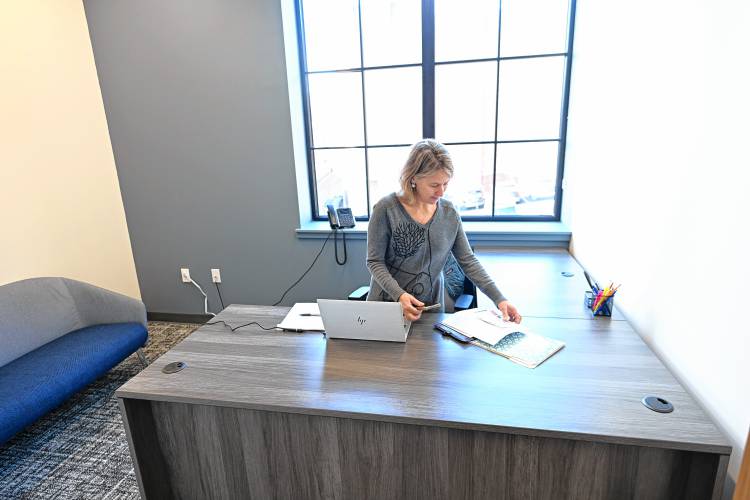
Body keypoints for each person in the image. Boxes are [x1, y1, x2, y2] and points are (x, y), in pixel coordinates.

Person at [366, 139, 522, 323]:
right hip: (385, 308)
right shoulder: (386, 209)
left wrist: (500, 299)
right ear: (413, 177)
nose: (441, 192)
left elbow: (468, 261)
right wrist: (400, 295)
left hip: (428, 309)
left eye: (445, 184)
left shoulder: (449, 213)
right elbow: (375, 262)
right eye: (434, 185)